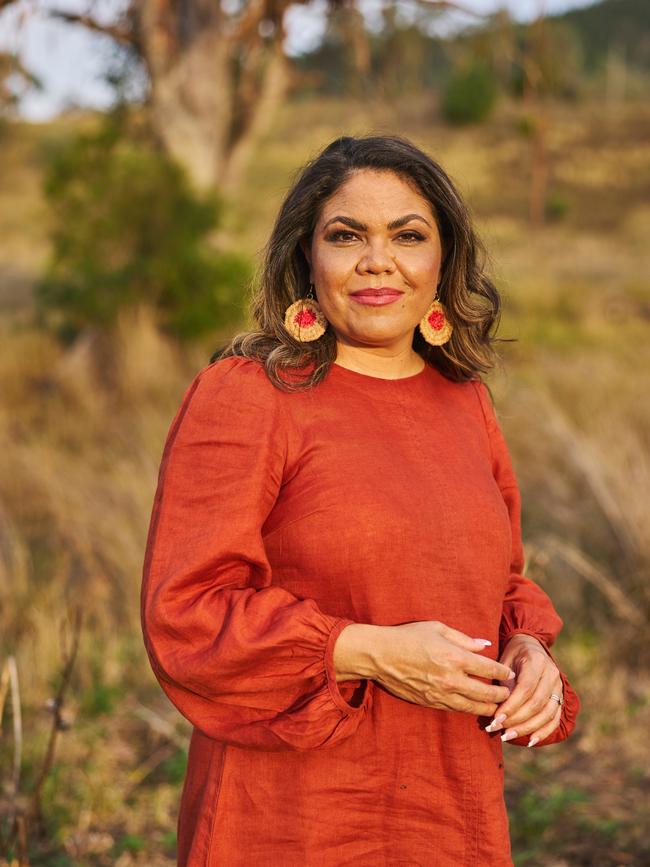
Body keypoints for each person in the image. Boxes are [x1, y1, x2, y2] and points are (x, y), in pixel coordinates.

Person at [140, 134, 580, 867]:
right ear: (307, 260)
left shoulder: (463, 400)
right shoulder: (250, 394)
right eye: (346, 236)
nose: (378, 260)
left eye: (408, 235)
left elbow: (500, 580)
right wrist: (367, 652)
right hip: (291, 816)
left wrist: (528, 646)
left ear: (443, 263)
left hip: (449, 808)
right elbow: (185, 611)